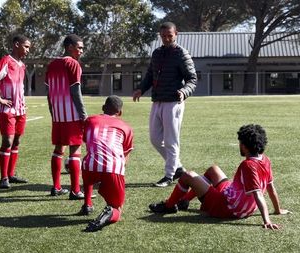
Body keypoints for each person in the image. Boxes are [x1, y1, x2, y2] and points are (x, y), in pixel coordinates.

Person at [148, 124, 291, 229]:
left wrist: (266, 220)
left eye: (240, 142)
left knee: (187, 175)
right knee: (213, 170)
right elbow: (270, 186)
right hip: (237, 201)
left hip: (227, 207)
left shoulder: (248, 165)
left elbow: (258, 193)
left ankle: (168, 206)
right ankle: (184, 201)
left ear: (244, 146)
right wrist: (277, 210)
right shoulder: (265, 159)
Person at [132, 22, 196, 187]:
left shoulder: (182, 54)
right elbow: (150, 74)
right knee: (154, 139)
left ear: (176, 34)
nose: (167, 39)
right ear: (160, 36)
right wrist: (141, 89)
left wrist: (184, 92)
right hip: (157, 101)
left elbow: (192, 79)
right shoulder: (157, 53)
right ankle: (178, 167)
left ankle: (169, 176)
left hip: (174, 102)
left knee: (171, 141)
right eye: (163, 36)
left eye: (170, 35)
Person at [79, 96, 134, 232]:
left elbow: (89, 142)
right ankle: (109, 213)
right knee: (117, 208)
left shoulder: (90, 120)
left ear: (103, 108)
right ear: (120, 113)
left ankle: (87, 203)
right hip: (112, 168)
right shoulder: (126, 127)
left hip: (89, 167)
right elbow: (125, 155)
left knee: (89, 161)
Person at [45, 34, 88, 199]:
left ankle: (56, 187)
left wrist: (52, 111)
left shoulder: (52, 64)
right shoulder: (73, 64)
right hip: (71, 114)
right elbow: (75, 92)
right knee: (75, 150)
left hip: (58, 114)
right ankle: (76, 190)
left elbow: (48, 93)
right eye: (80, 47)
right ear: (70, 47)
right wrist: (83, 115)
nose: (81, 51)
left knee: (58, 150)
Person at [0, 35, 31, 189]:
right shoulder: (6, 60)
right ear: (17, 44)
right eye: (26, 47)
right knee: (7, 141)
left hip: (20, 109)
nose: (28, 50)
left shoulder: (22, 65)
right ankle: (3, 178)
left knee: (17, 141)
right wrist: (0, 99)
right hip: (7, 110)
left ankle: (11, 174)